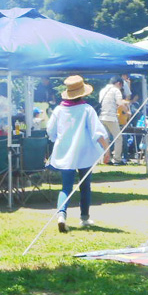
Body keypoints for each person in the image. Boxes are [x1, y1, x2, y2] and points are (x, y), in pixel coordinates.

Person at [47, 75, 109, 232]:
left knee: (66, 187)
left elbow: (50, 131)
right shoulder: (87, 109)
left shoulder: (59, 110)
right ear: (83, 93)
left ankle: (61, 215)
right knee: (85, 186)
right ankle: (84, 218)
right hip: (85, 152)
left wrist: (58, 140)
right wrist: (106, 150)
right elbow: (98, 132)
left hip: (65, 152)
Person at [97, 76, 127, 165]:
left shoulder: (102, 90)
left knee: (105, 139)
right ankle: (117, 159)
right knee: (118, 138)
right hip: (111, 117)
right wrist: (127, 111)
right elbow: (119, 103)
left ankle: (106, 158)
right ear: (119, 83)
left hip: (101, 117)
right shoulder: (116, 90)